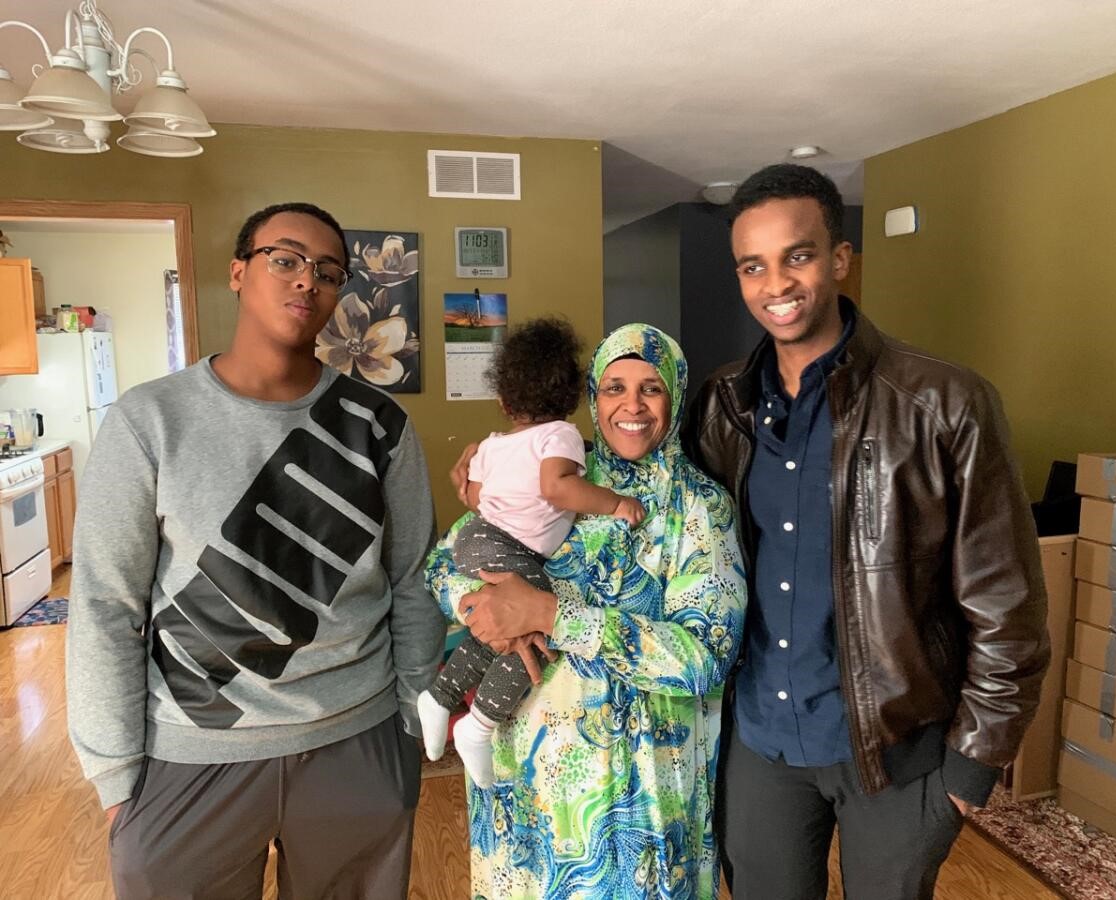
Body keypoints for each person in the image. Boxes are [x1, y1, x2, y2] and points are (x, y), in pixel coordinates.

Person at [682, 164, 1050, 900]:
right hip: (759, 748)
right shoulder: (724, 403)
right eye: (753, 266)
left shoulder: (943, 402)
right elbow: (662, 514)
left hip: (897, 756)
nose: (775, 284)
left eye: (799, 255)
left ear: (840, 259)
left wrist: (970, 769)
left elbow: (1008, 603)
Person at [66, 202, 446, 899]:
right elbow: (103, 605)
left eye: (329, 272)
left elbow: (415, 578)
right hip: (188, 752)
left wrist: (409, 721)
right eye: (286, 259)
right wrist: (115, 773)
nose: (308, 281)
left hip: (355, 744)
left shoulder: (379, 425)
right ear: (239, 271)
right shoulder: (149, 421)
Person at [427, 323, 747, 899]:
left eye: (651, 388)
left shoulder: (699, 508)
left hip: (641, 802)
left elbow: (704, 658)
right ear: (592, 397)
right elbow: (443, 563)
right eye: (614, 387)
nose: (631, 405)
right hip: (523, 784)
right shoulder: (556, 470)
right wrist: (482, 609)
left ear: (674, 397)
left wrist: (552, 615)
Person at [417, 316, 644, 789]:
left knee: (493, 632)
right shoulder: (560, 437)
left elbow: (475, 498)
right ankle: (478, 726)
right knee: (540, 619)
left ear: (503, 400)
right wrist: (616, 503)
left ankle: (440, 696)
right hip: (504, 544)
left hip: (476, 536)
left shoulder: (493, 445)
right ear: (572, 397)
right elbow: (557, 489)